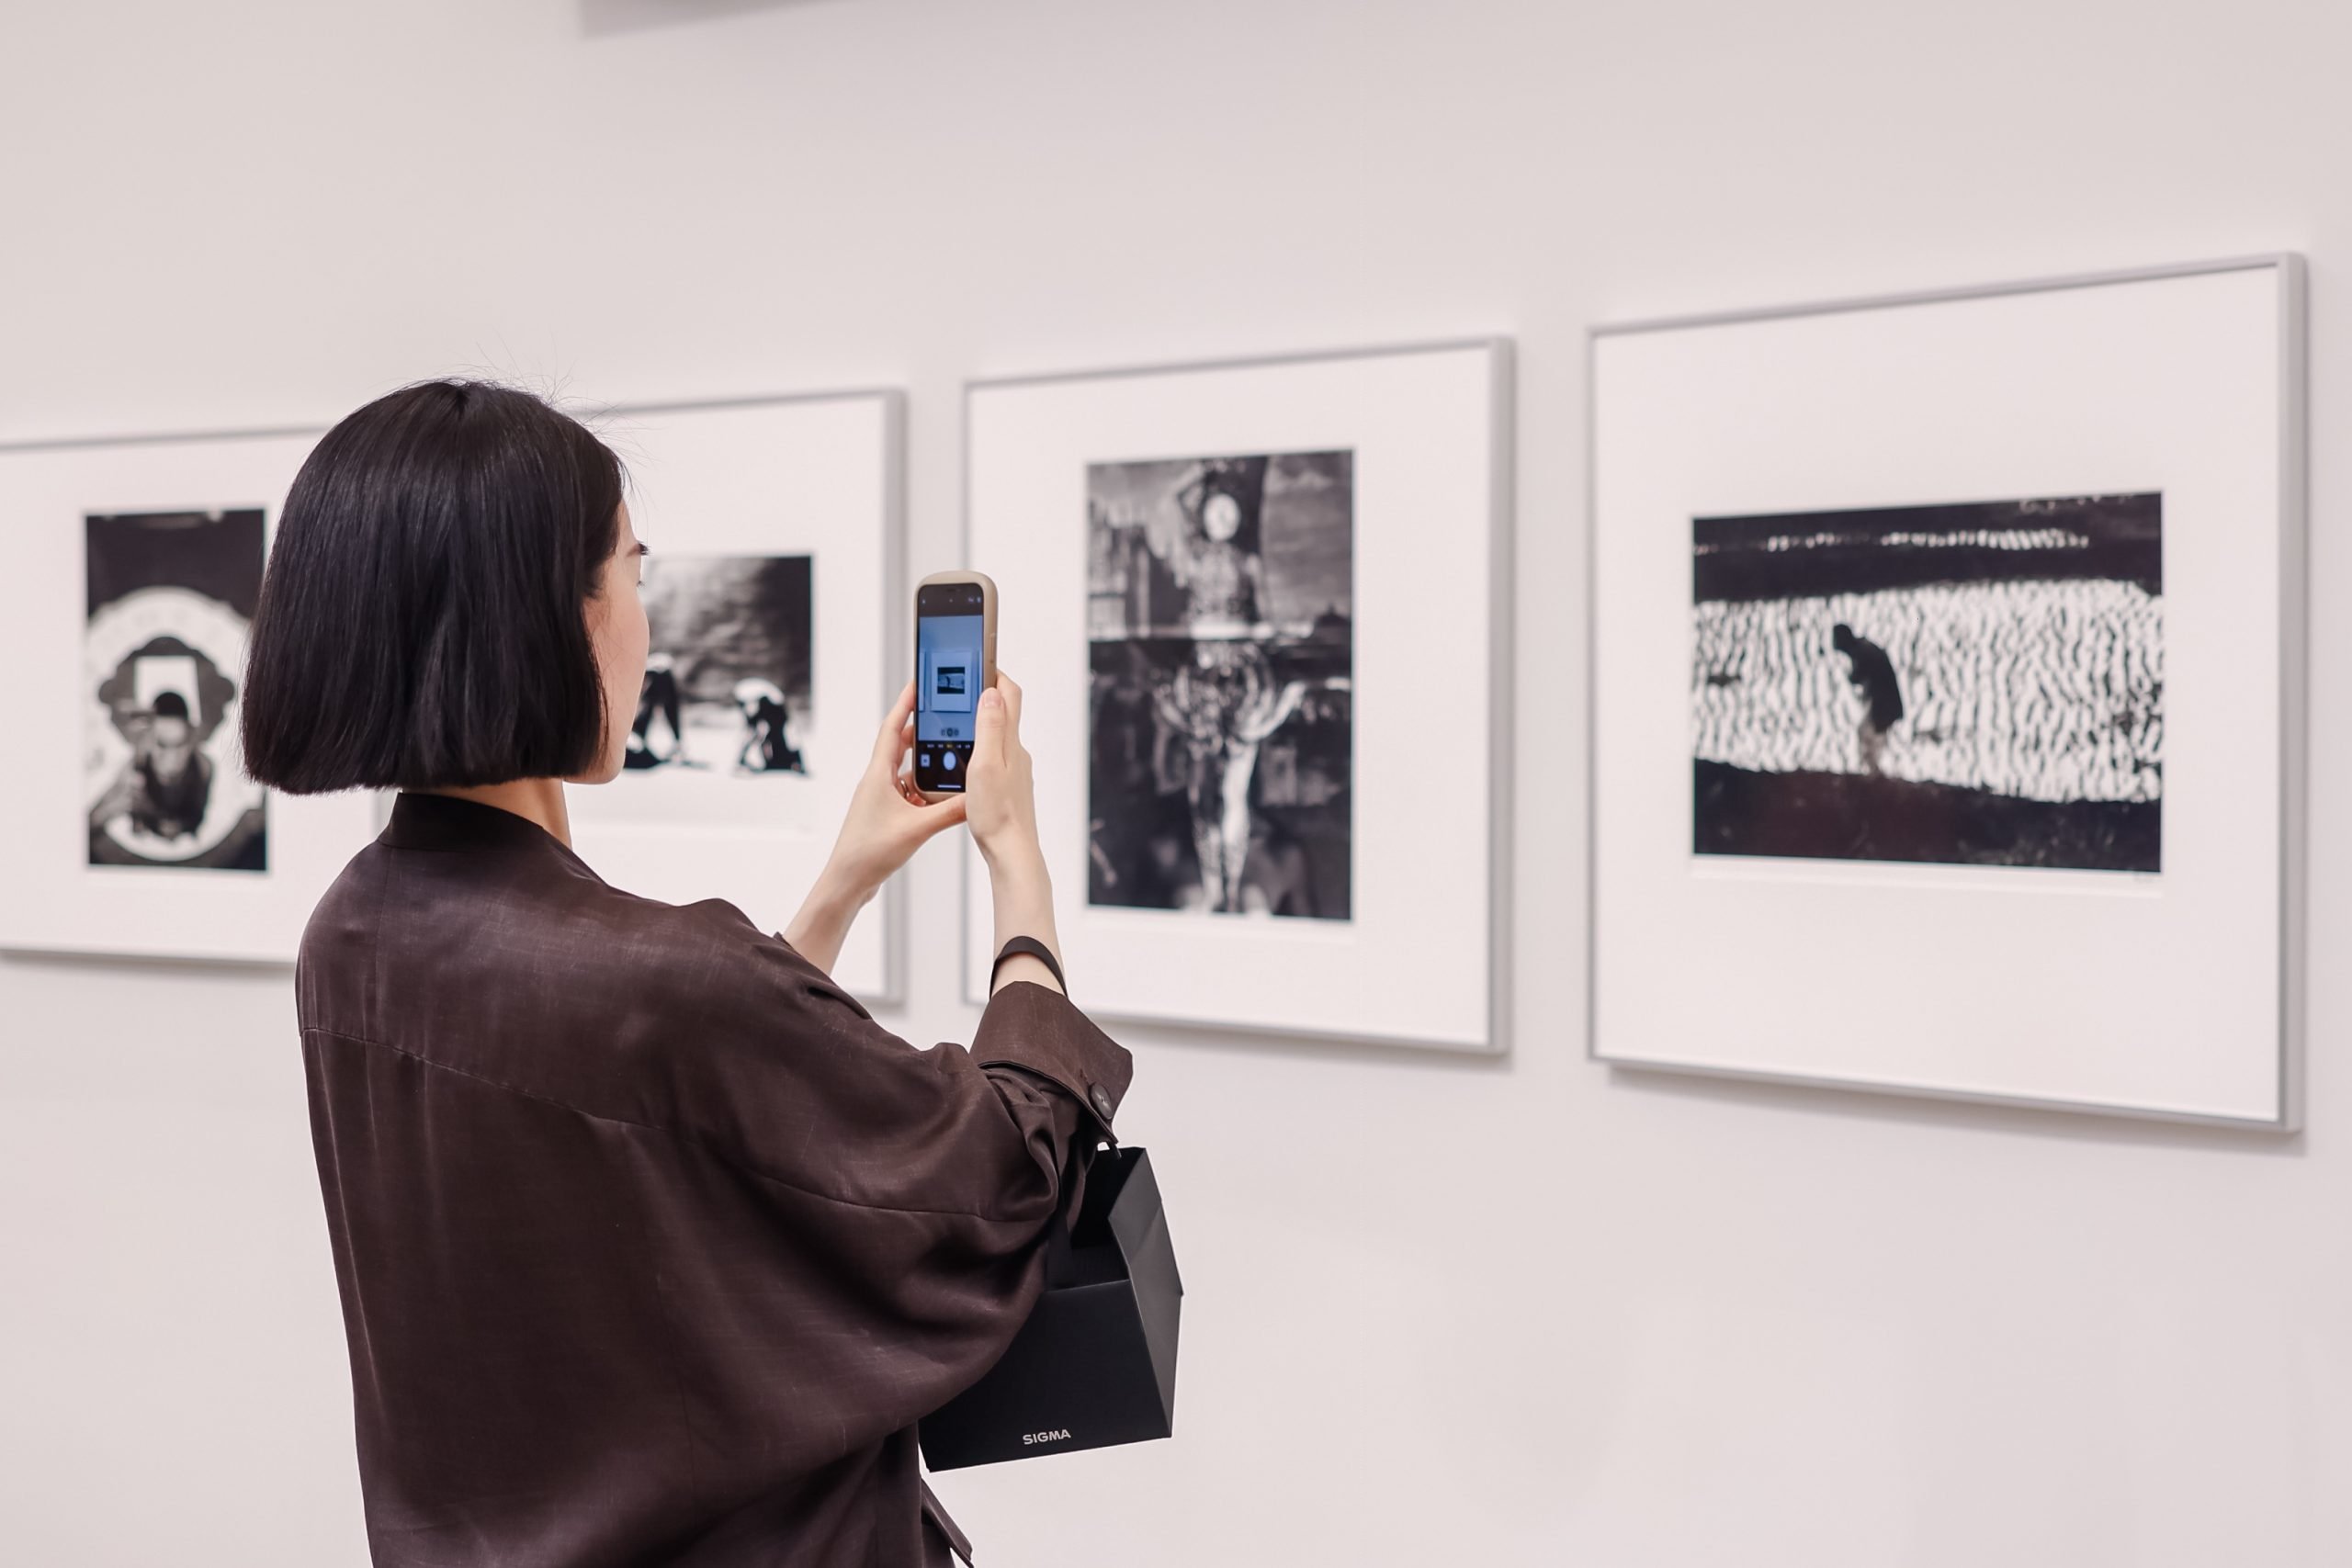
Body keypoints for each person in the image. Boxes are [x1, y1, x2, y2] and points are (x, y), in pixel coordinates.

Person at [239, 380, 1130, 1568]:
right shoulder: (661, 979)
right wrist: (1016, 860)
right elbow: (1001, 1177)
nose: (645, 627)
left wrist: (841, 883)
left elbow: (676, 1108)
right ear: (554, 614)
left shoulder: (351, 934)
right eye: (635, 574)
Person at [1832, 621, 1904, 777]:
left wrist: (1851, 676)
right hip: (1884, 702)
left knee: (1867, 735)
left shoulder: (1862, 652)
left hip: (1882, 704)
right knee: (1871, 736)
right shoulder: (1864, 648)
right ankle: (1875, 772)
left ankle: (1874, 773)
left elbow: (1859, 674)